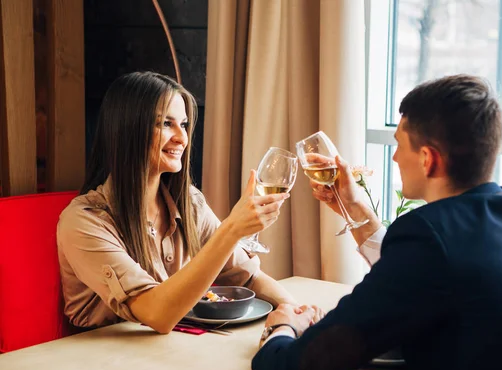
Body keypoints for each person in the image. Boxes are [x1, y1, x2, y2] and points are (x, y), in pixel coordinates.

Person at [251, 75, 502, 370]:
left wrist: (280, 330)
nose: (396, 157)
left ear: (428, 159)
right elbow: (438, 276)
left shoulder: (428, 239)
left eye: (400, 145)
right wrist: (356, 209)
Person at [57, 71, 320, 333]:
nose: (182, 138)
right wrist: (232, 229)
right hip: (98, 360)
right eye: (165, 123)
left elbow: (246, 276)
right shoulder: (85, 221)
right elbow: (156, 314)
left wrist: (297, 312)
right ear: (128, 130)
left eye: (183, 125)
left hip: (170, 350)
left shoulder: (189, 203)